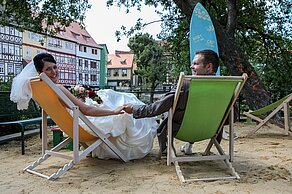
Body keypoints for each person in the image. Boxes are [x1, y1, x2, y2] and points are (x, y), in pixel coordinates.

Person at [10, 53, 158, 160]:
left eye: (55, 67)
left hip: (71, 122)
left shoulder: (39, 88)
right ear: (39, 72)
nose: (54, 72)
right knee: (126, 102)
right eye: (48, 69)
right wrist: (113, 111)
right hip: (83, 121)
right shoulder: (58, 87)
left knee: (113, 96)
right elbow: (86, 110)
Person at [123, 49, 221, 155]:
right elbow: (231, 116)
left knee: (166, 112)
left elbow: (157, 108)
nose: (191, 66)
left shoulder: (185, 85)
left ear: (208, 67)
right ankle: (188, 146)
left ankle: (166, 149)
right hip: (211, 130)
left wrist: (134, 109)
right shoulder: (225, 87)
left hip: (182, 130)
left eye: (196, 64)